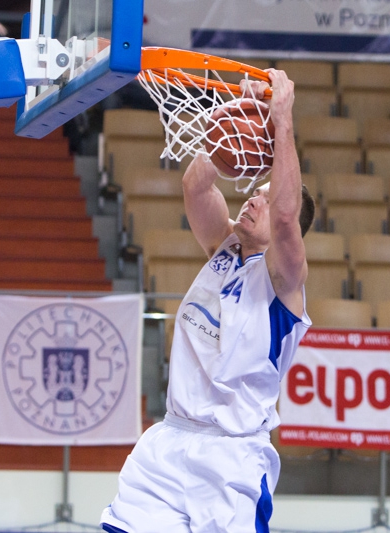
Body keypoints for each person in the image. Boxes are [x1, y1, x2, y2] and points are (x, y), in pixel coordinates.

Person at [100, 69, 315, 532]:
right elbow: (195, 186)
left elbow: (284, 216)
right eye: (253, 193)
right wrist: (235, 122)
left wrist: (281, 121)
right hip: (170, 440)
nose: (252, 201)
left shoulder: (285, 281)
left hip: (230, 457)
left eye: (264, 197)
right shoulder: (224, 246)